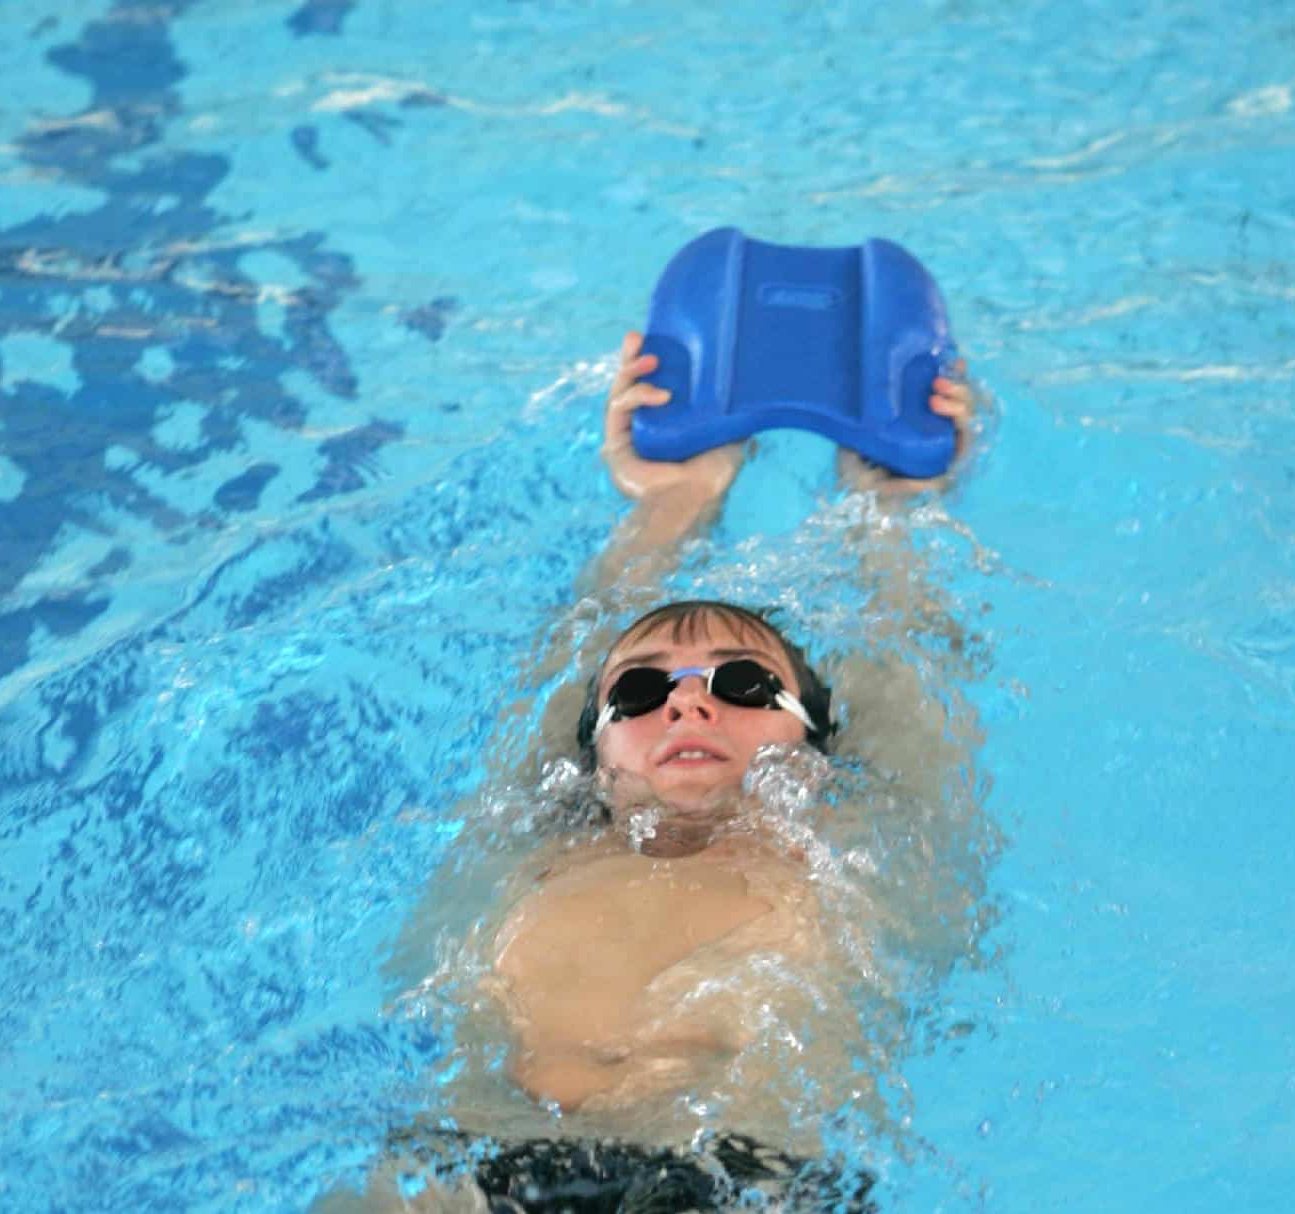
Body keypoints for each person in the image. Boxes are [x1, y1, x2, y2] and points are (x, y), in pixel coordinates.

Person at [326, 333, 981, 1213]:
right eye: (640, 691)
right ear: (591, 747)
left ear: (819, 747)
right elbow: (561, 665)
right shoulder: (537, 833)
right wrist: (672, 503)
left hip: (729, 1179)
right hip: (474, 1168)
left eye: (742, 684)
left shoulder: (841, 848)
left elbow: (918, 683)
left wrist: (892, 517)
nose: (685, 706)